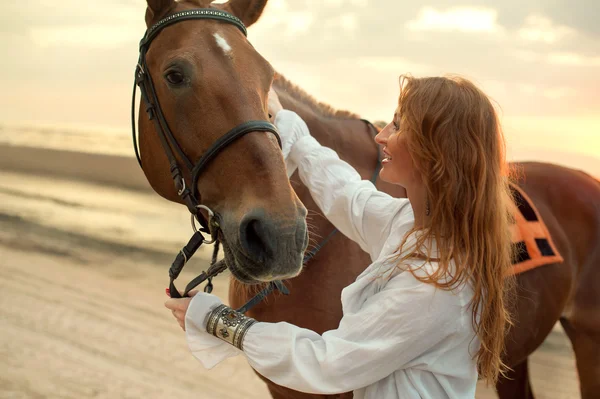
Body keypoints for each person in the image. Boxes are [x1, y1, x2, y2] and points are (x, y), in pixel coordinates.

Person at [165, 75, 515, 398]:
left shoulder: (437, 286)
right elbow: (349, 196)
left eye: (397, 125)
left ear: (436, 149)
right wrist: (289, 124)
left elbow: (325, 363)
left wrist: (216, 320)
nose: (380, 136)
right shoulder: (413, 226)